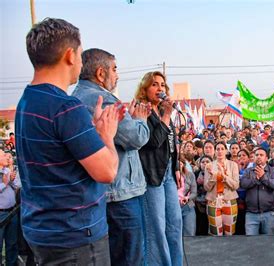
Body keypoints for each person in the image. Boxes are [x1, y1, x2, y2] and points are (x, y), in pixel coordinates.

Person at [16, 18, 120, 265]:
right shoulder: (65, 107)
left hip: (43, 231)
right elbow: (107, 171)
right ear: (70, 55)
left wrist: (88, 132)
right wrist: (106, 136)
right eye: (82, 55)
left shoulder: (27, 100)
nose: (81, 62)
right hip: (75, 238)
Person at [72, 48, 150, 266]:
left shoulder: (76, 97)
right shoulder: (102, 100)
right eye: (114, 69)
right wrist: (139, 119)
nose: (117, 75)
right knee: (130, 258)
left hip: (99, 196)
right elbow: (136, 137)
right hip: (120, 196)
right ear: (100, 73)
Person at [135, 71, 183, 265]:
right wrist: (166, 115)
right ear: (145, 89)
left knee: (174, 224)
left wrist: (177, 166)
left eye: (162, 85)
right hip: (152, 176)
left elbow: (171, 141)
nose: (160, 89)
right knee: (156, 228)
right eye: (154, 84)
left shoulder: (164, 113)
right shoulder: (141, 111)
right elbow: (153, 141)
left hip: (168, 173)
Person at [241, 148, 274, 235]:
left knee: (268, 242)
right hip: (251, 214)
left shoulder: (272, 170)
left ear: (266, 158)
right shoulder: (248, 171)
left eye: (261, 155)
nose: (258, 157)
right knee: (251, 242)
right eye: (257, 155)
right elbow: (243, 184)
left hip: (269, 213)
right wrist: (255, 180)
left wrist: (263, 177)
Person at [204, 142, 240, 235]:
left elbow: (236, 185)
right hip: (213, 201)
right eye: (217, 149)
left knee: (230, 232)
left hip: (229, 200)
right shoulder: (209, 166)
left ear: (226, 151)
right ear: (215, 151)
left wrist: (224, 177)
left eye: (222, 149)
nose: (220, 151)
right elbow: (206, 188)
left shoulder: (233, 165)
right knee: (215, 232)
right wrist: (213, 177)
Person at [0, 150, 20, 266]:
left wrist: (11, 180)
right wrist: (4, 183)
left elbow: (16, 186)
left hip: (11, 212)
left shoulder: (8, 170)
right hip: (1, 214)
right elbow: (3, 185)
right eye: (3, 155)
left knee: (12, 243)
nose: (7, 157)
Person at [178, 156, 197, 236]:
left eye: (181, 164)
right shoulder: (169, 176)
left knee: (189, 233)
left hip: (188, 206)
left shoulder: (190, 175)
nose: (178, 166)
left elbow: (194, 193)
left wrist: (187, 198)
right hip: (173, 207)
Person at [194, 155, 212, 236]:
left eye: (207, 162)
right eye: (203, 162)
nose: (205, 164)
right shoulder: (195, 174)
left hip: (211, 204)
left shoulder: (215, 173)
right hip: (198, 204)